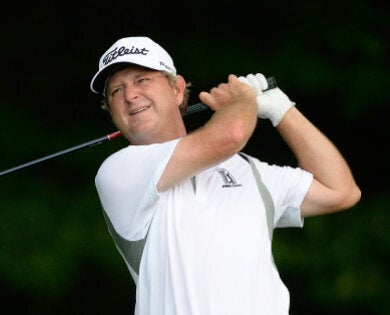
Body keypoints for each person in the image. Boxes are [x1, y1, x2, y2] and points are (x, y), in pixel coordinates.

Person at [89, 36, 361, 314]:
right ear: (112, 112)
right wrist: (242, 100)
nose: (130, 95)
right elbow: (231, 134)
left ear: (177, 90)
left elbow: (340, 191)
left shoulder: (249, 169)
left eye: (142, 80)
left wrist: (283, 111)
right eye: (116, 91)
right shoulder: (119, 170)